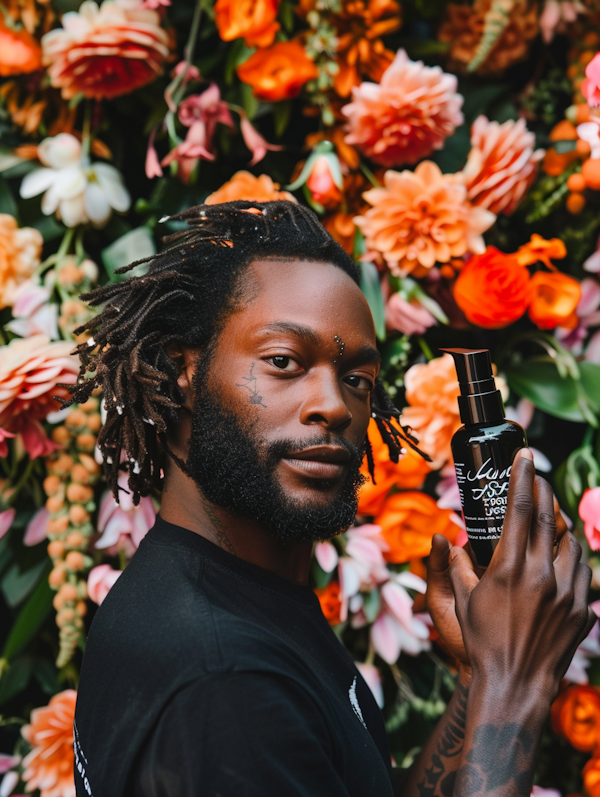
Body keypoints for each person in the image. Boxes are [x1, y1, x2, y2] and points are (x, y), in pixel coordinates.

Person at [69, 200, 594, 797]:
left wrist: (478, 676)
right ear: (183, 372)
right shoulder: (225, 684)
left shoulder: (234, 595)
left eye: (358, 380)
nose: (335, 406)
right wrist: (514, 684)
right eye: (283, 362)